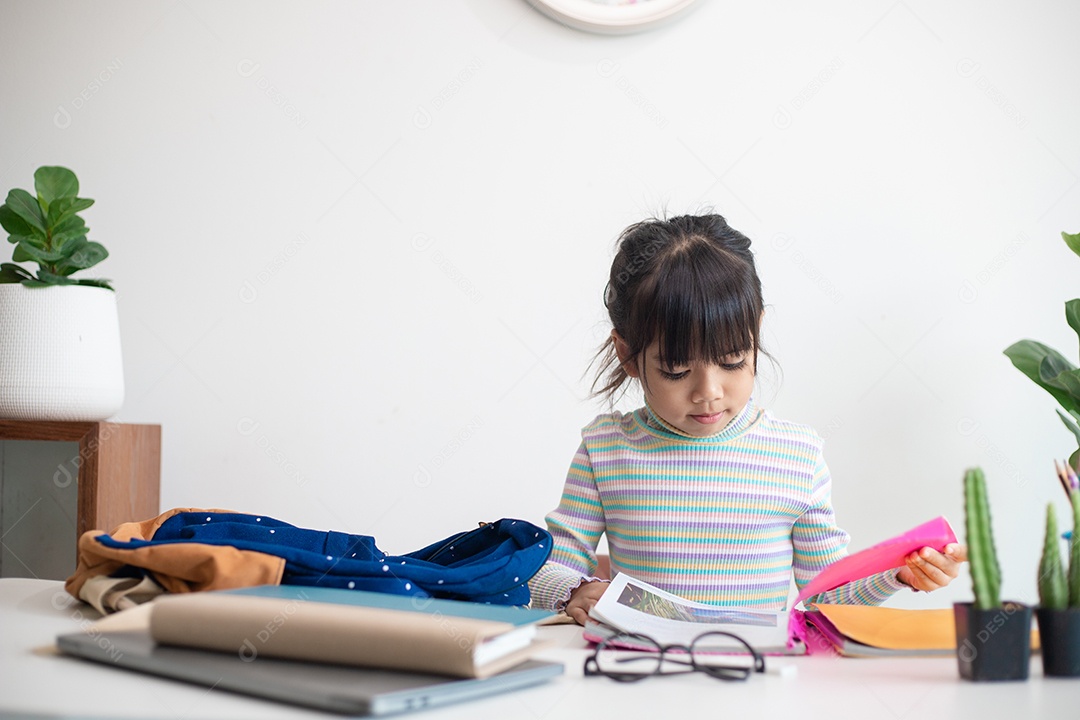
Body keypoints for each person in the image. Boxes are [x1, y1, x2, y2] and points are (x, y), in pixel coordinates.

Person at [528, 214, 967, 624]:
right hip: (643, 671)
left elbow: (826, 596)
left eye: (733, 361)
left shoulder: (797, 455)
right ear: (627, 354)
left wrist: (899, 575)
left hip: (758, 681)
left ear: (755, 333)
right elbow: (552, 566)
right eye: (676, 371)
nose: (709, 392)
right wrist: (574, 591)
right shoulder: (606, 449)